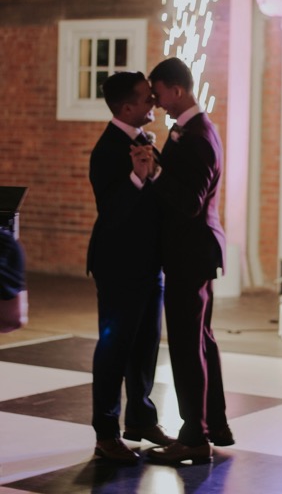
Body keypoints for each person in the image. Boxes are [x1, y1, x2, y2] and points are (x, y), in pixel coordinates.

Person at [131, 57, 234, 465]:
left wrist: (155, 173)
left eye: (158, 94)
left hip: (191, 252)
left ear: (176, 90)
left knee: (189, 346)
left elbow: (191, 202)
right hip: (191, 252)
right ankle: (210, 426)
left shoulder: (198, 136)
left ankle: (194, 437)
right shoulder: (187, 131)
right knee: (200, 343)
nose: (156, 102)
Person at [87, 71, 173, 465]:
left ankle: (140, 419)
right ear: (126, 108)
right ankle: (106, 433)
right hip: (119, 264)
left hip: (148, 263)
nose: (152, 103)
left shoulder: (144, 142)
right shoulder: (107, 150)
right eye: (145, 99)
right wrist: (138, 179)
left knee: (145, 346)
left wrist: (154, 175)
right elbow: (112, 213)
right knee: (114, 348)